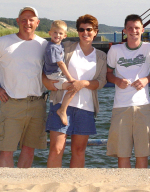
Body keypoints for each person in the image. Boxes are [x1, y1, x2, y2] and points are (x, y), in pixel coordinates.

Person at [0, 6, 48, 168]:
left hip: (38, 103)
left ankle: (21, 184)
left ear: (37, 23)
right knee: (7, 150)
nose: (27, 23)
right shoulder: (2, 42)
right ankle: (7, 185)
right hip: (12, 103)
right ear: (18, 21)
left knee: (29, 149)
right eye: (23, 19)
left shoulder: (44, 44)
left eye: (31, 20)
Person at [43, 14, 107, 168]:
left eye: (89, 29)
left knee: (79, 150)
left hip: (86, 107)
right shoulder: (65, 47)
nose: (85, 33)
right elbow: (47, 67)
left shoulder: (101, 56)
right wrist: (46, 82)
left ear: (95, 32)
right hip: (60, 104)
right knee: (56, 149)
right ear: (77, 31)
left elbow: (102, 81)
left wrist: (83, 83)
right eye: (81, 29)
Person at [106, 14, 150, 168]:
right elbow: (108, 74)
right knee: (122, 153)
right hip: (120, 107)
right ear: (125, 30)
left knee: (142, 153)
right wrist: (117, 80)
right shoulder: (115, 50)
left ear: (142, 30)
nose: (133, 31)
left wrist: (146, 79)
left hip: (143, 106)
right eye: (130, 28)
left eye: (137, 28)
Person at [43, 20, 76, 126]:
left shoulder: (59, 45)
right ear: (50, 33)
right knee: (73, 87)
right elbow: (61, 64)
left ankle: (63, 109)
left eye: (60, 33)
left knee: (72, 87)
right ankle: (62, 110)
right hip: (54, 76)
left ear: (65, 36)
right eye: (55, 32)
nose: (57, 35)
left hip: (57, 74)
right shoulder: (52, 48)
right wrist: (70, 78)